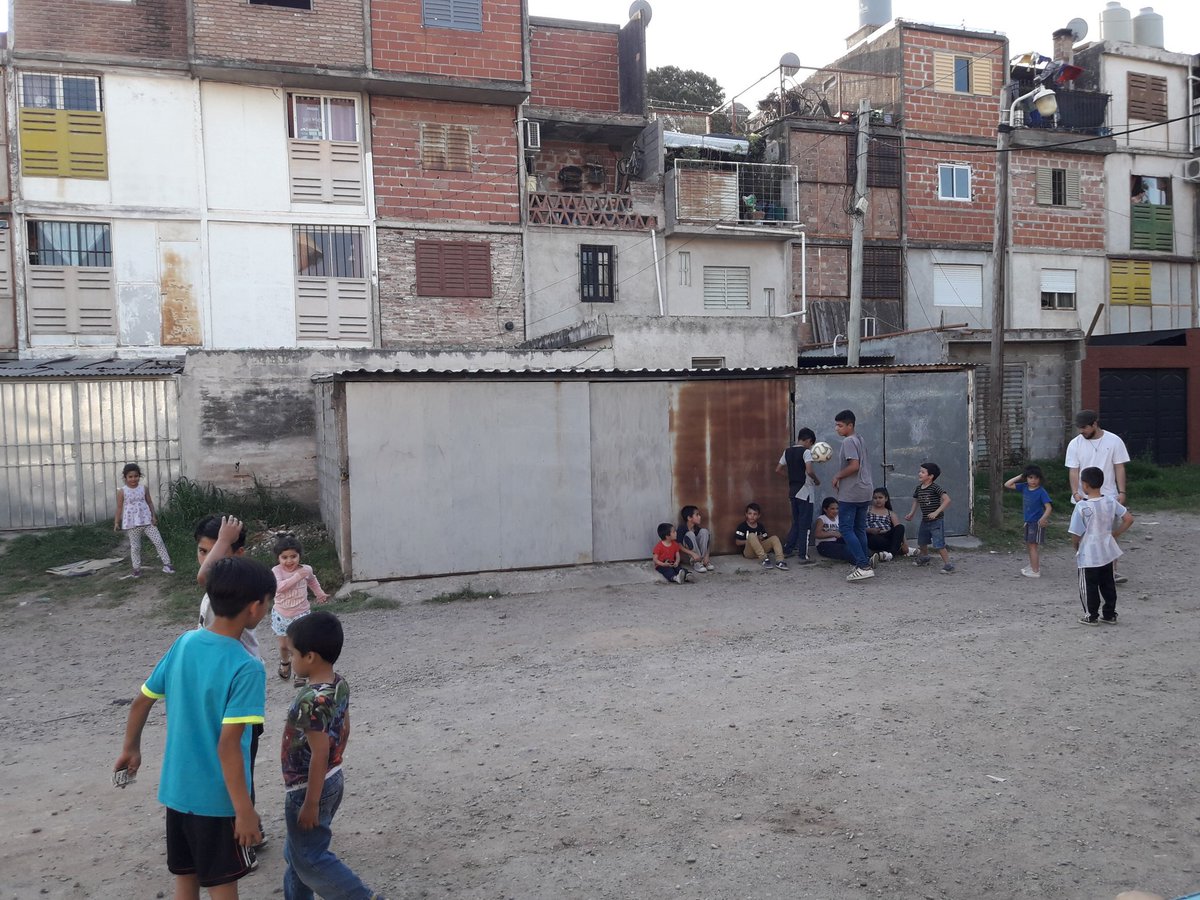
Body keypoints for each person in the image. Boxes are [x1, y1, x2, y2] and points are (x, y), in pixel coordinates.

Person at [113, 557, 274, 899]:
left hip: (177, 792)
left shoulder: (184, 642)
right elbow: (229, 746)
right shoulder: (248, 667)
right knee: (221, 883)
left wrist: (131, 747)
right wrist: (245, 811)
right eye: (269, 601)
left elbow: (141, 700)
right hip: (216, 800)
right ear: (256, 607)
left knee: (186, 879)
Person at [281, 611, 383, 900]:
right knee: (296, 854)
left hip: (307, 788)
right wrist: (334, 765)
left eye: (293, 654)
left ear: (310, 657)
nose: (291, 660)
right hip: (332, 778)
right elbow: (345, 729)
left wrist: (311, 803)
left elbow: (318, 752)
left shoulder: (309, 700)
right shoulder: (339, 684)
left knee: (310, 857)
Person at [195, 515, 268, 849]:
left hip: (236, 696)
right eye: (202, 551)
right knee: (226, 764)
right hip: (217, 696)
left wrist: (226, 540)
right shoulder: (216, 599)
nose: (207, 558)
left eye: (217, 551)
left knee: (239, 764)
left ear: (237, 555)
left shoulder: (233, 594)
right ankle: (244, 824)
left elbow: (204, 576)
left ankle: (246, 833)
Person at [1065, 409, 1131, 583]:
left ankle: (1111, 571)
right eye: (1079, 428)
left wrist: (1122, 491)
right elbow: (1073, 470)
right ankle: (1088, 567)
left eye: (1084, 427)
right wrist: (1075, 492)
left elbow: (1119, 467)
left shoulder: (1114, 441)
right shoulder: (1075, 444)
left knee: (1107, 535)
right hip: (1084, 497)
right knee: (1085, 534)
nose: (1082, 431)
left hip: (1108, 496)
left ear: (1095, 424)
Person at [1069, 466, 1134, 625]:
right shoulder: (1110, 501)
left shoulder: (1082, 507)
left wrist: (1075, 545)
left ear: (1084, 485)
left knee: (1089, 586)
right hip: (1107, 550)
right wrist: (1115, 533)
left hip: (1089, 553)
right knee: (1108, 584)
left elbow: (1076, 533)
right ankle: (1110, 614)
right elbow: (1129, 519)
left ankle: (1091, 615)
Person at [273, 534, 329, 687]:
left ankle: (300, 673)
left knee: (301, 644)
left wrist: (319, 593)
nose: (289, 561)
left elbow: (312, 580)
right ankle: (285, 662)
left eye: (293, 556)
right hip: (281, 614)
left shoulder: (306, 569)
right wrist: (298, 576)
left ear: (299, 556)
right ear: (278, 558)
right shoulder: (276, 571)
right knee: (284, 646)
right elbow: (280, 587)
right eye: (284, 557)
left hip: (301, 613)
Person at [831, 410, 874, 582]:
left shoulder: (848, 441)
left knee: (846, 529)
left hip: (852, 492)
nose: (837, 429)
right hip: (865, 490)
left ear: (850, 425)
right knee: (859, 528)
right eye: (836, 425)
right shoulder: (860, 439)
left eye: (840, 425)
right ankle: (864, 562)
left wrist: (837, 476)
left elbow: (854, 466)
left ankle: (863, 565)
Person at [113, 463, 174, 578]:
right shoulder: (122, 491)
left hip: (147, 521)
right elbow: (119, 507)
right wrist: (116, 522)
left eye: (136, 476)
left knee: (158, 541)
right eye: (130, 477)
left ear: (139, 476)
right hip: (132, 524)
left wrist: (153, 516)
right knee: (135, 547)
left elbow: (150, 502)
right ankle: (136, 569)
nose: (133, 479)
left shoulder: (143, 489)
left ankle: (167, 564)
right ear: (125, 478)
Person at [776, 427, 819, 564]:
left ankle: (788, 549)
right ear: (808, 441)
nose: (810, 447)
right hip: (805, 491)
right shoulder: (806, 452)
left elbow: (778, 469)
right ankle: (803, 555)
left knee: (796, 521)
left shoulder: (787, 451)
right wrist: (816, 480)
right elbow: (810, 470)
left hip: (793, 491)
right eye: (811, 444)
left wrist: (790, 476)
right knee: (805, 524)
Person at [1005, 465, 1053, 578]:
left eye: (1036, 478)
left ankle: (1035, 570)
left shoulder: (1041, 491)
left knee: (1033, 546)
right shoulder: (1024, 487)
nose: (1033, 480)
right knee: (1029, 545)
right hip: (1028, 521)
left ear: (1040, 479)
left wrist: (1043, 518)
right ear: (1026, 478)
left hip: (1036, 523)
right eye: (1030, 477)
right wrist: (1020, 476)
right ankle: (1033, 566)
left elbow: (1049, 507)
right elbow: (1007, 484)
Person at [906, 461, 954, 574]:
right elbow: (916, 501)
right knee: (922, 541)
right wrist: (912, 513)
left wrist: (936, 512)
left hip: (936, 521)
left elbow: (947, 500)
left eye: (922, 472)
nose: (919, 474)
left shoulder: (935, 488)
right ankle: (925, 557)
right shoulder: (919, 488)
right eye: (919, 471)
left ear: (931, 476)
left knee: (939, 544)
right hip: (925, 520)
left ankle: (948, 565)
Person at [866, 487, 915, 562]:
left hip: (886, 535)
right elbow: (859, 526)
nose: (877, 500)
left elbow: (899, 529)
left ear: (886, 499)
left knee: (900, 527)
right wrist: (870, 530)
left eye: (880, 497)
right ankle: (897, 550)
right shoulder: (867, 510)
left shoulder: (890, 513)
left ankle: (890, 554)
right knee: (876, 540)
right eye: (875, 498)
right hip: (872, 536)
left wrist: (905, 544)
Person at [735, 503, 788, 570]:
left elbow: (765, 539)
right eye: (750, 514)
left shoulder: (760, 526)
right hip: (749, 553)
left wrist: (761, 539)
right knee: (752, 535)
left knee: (774, 538)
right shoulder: (742, 526)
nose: (752, 516)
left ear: (759, 516)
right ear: (746, 514)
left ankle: (780, 561)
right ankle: (764, 559)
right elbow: (737, 542)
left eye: (755, 514)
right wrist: (752, 540)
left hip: (761, 550)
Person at [677, 506, 715, 574]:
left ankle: (703, 562)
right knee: (690, 534)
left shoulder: (696, 528)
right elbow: (678, 545)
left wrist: (707, 556)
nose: (699, 517)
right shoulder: (681, 529)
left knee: (704, 531)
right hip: (688, 557)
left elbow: (707, 543)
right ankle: (696, 563)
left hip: (700, 556)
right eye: (697, 515)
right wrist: (692, 553)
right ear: (689, 518)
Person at [813, 497, 853, 561]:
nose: (835, 511)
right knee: (844, 549)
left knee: (852, 543)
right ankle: (863, 562)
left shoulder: (838, 518)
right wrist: (833, 534)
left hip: (836, 541)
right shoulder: (822, 519)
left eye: (837, 509)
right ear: (825, 509)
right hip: (823, 544)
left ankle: (866, 557)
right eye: (832, 509)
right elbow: (817, 534)